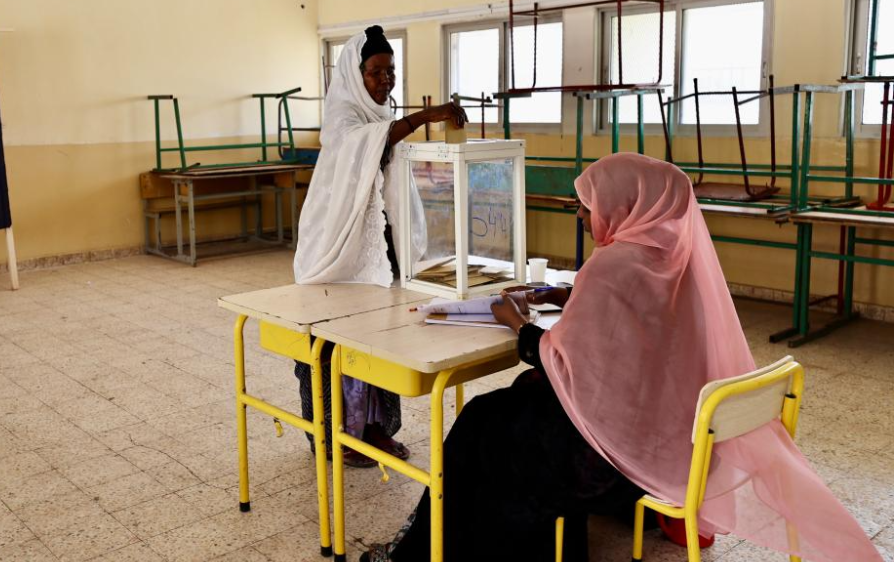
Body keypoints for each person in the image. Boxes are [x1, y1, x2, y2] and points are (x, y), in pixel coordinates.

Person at [364, 153, 882, 561]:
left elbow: (560, 362)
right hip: (673, 446)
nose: (585, 218)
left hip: (608, 465)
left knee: (482, 421)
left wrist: (516, 321)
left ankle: (429, 552)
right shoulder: (678, 262)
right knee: (520, 405)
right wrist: (572, 298)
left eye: (586, 207)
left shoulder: (613, 266)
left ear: (625, 204)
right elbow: (645, 330)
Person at [292, 26, 468, 467]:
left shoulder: (379, 115)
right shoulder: (343, 117)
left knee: (380, 338)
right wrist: (424, 118)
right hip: (338, 247)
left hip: (376, 244)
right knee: (338, 339)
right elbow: (367, 144)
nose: (385, 80)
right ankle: (337, 432)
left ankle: (372, 426)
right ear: (356, 74)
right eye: (376, 72)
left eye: (391, 71)